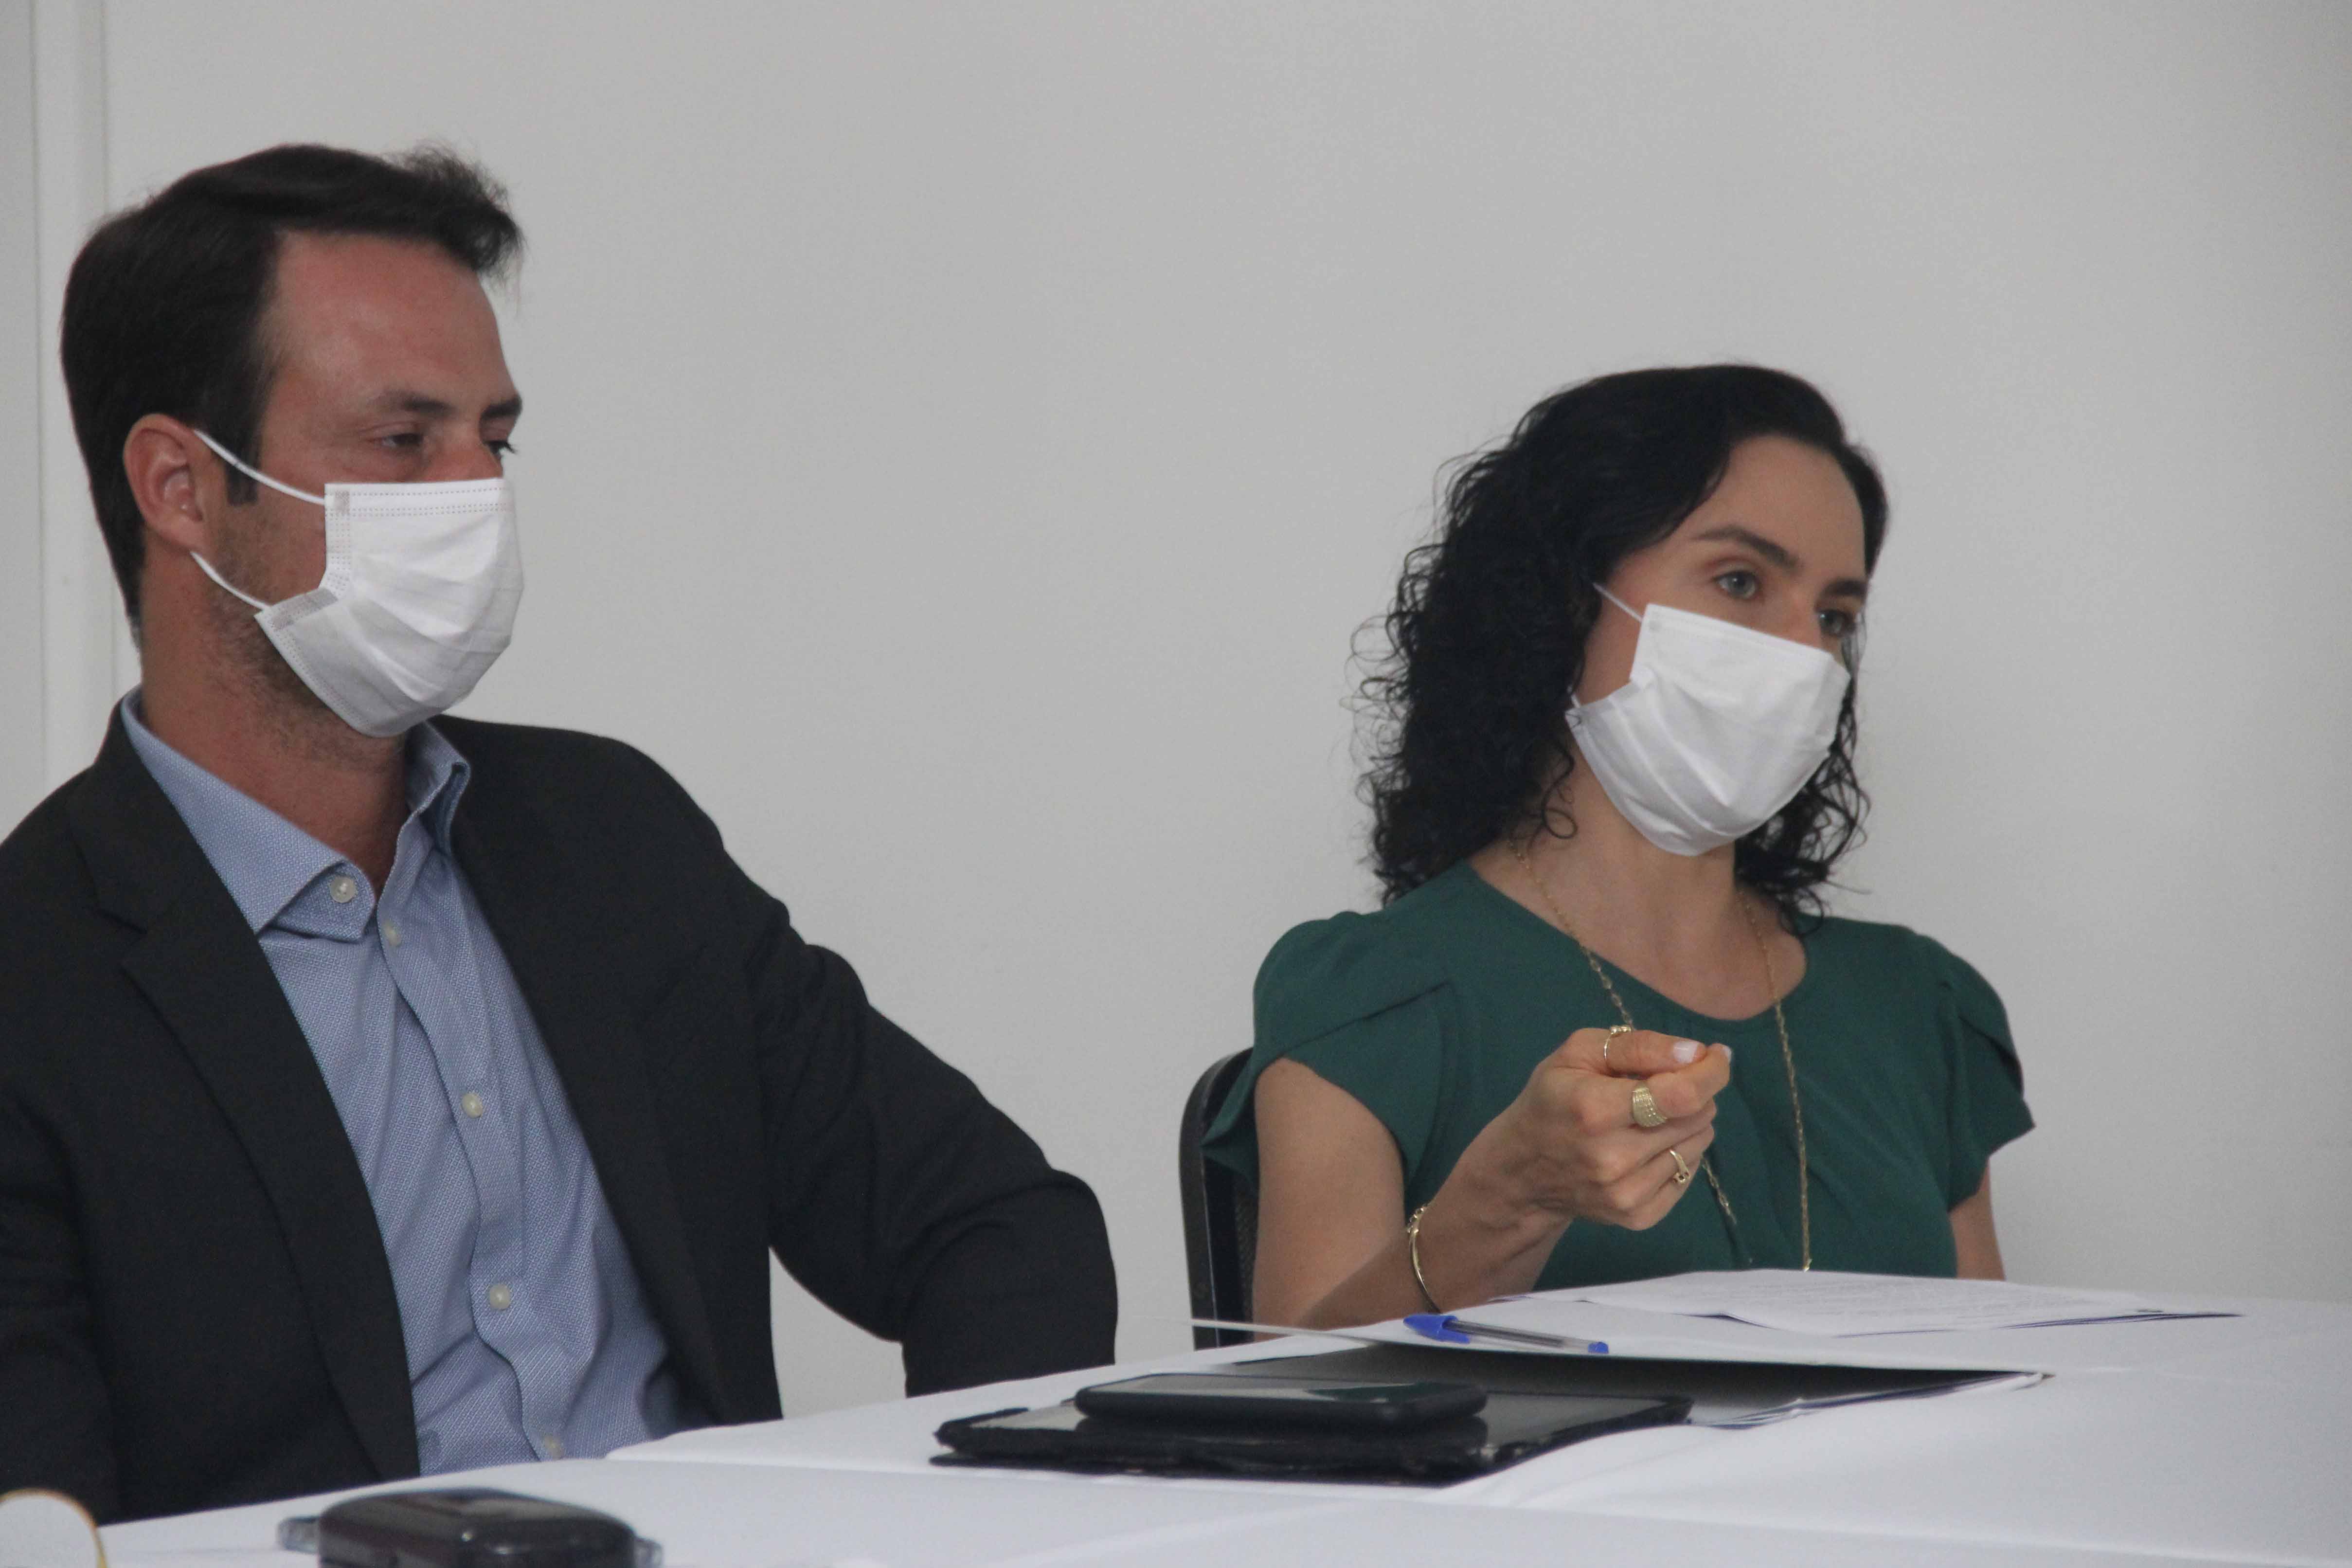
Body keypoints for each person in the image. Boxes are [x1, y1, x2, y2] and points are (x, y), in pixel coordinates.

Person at [0, 144, 1116, 1523]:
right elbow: (40, 1516)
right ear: (180, 486)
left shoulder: (611, 840)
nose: (477, 492)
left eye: (497, 438)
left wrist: (961, 1525)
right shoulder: (33, 975)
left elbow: (996, 1225)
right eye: (404, 442)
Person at [1203, 365, 2031, 1330]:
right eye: (1740, 581)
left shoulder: (1919, 1007)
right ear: (1560, 599)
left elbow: (1998, 1373)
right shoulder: (1375, 995)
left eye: (1835, 616)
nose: (1805, 654)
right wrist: (1505, 1202)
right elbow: (1297, 1390)